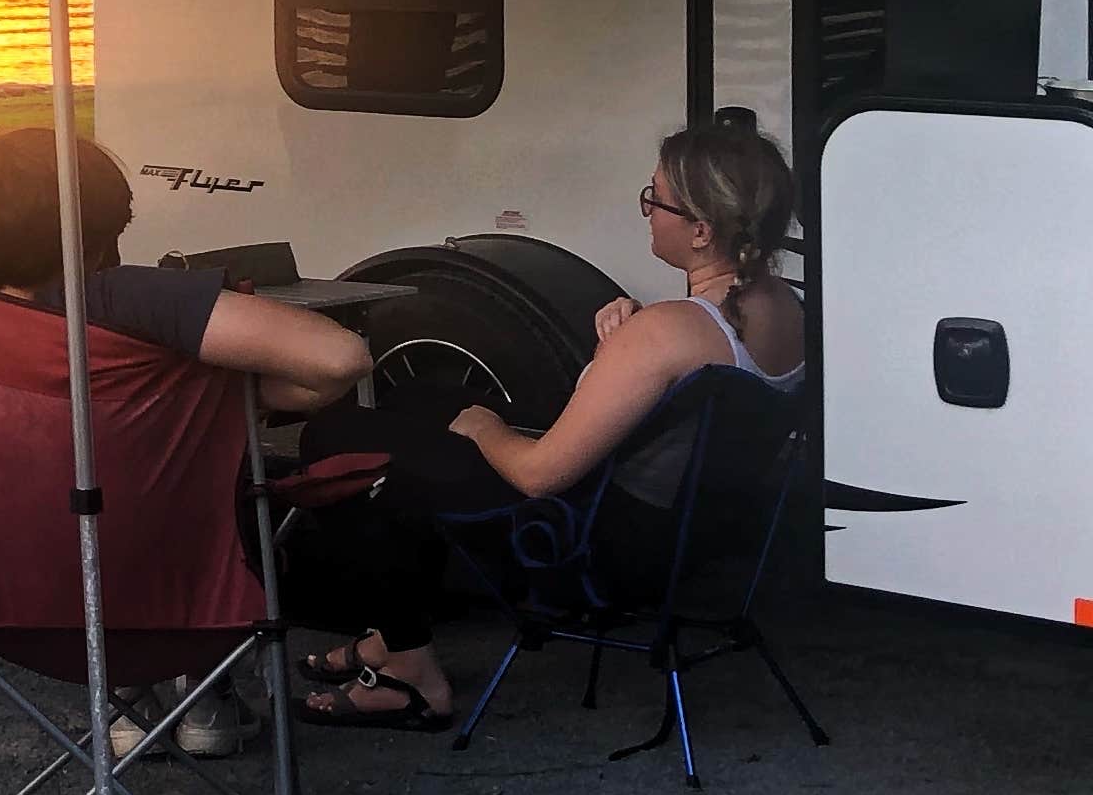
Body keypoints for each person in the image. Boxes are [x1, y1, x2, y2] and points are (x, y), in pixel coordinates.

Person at [0, 127, 369, 754]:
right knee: (191, 493)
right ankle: (204, 695)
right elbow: (340, 358)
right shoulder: (137, 301)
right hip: (192, 612)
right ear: (101, 233)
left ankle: (129, 707)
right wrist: (222, 397)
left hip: (6, 616)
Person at [284, 115, 804, 730]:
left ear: (700, 229)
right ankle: (385, 639)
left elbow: (538, 475)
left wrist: (483, 428)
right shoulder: (786, 307)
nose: (646, 212)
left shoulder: (668, 331)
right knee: (425, 397)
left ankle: (408, 674)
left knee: (338, 441)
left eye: (655, 199)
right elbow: (683, 389)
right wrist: (624, 342)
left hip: (589, 544)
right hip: (686, 538)